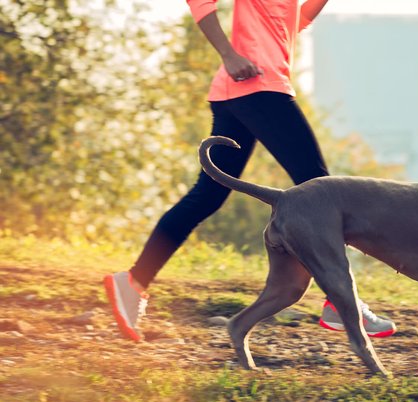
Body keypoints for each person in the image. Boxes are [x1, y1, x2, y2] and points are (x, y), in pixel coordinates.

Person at [103, 0, 396, 343]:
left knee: (207, 196)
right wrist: (228, 55)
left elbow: (293, 21)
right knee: (321, 192)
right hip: (258, 87)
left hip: (247, 89)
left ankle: (134, 281)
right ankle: (339, 301)